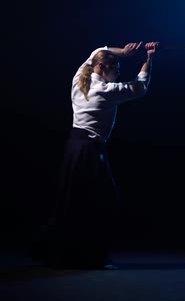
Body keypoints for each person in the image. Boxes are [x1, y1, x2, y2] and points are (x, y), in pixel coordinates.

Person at [37, 41, 158, 270]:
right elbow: (140, 87)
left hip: (75, 147)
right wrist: (148, 58)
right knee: (99, 203)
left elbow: (95, 52)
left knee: (74, 202)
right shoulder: (105, 91)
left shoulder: (79, 77)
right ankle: (88, 257)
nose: (118, 73)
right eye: (116, 69)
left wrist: (123, 52)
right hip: (89, 151)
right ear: (103, 67)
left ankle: (71, 255)